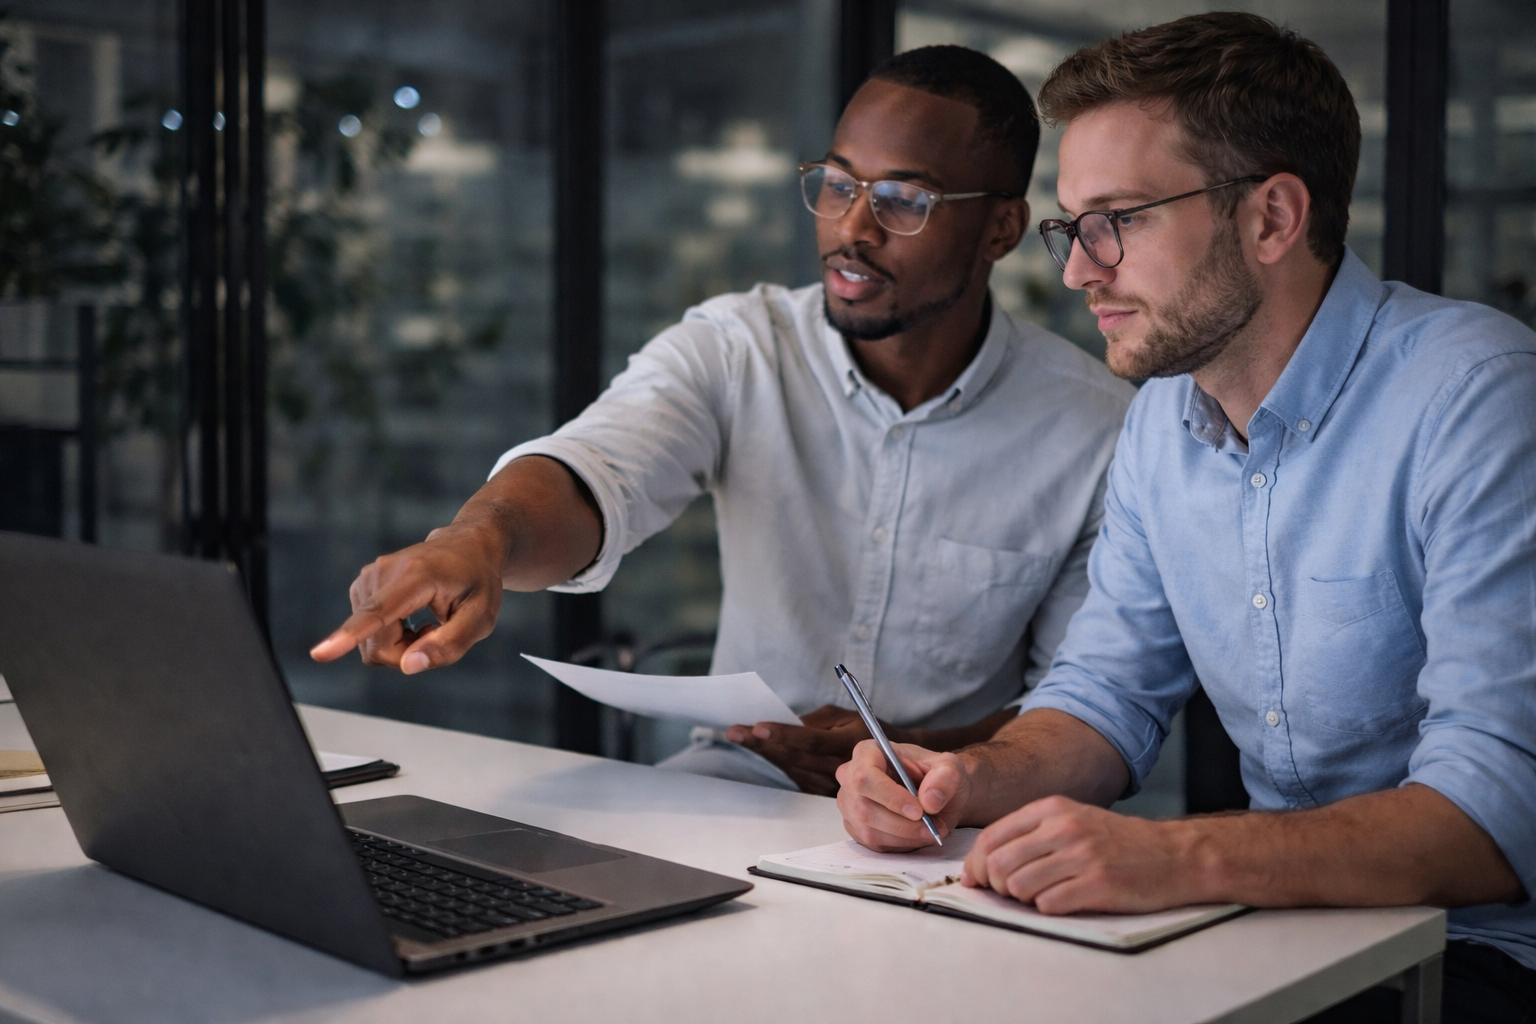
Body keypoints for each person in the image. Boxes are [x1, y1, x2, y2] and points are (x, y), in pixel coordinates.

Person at [836, 14, 1536, 1020]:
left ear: (1271, 219)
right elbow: (1105, 697)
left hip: (1476, 959)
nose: (1078, 271)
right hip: (1270, 936)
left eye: (1118, 219)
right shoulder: (1165, 418)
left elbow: (1496, 816)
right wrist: (959, 780)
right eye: (1071, 227)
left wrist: (1175, 854)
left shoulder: (1476, 397)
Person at [309, 46, 1134, 796]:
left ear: (1000, 229)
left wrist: (914, 751)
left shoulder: (1094, 430)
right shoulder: (740, 347)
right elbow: (598, 465)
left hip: (960, 816)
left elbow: (1081, 706)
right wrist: (479, 539)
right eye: (839, 183)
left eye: (903, 201)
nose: (852, 227)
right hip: (735, 785)